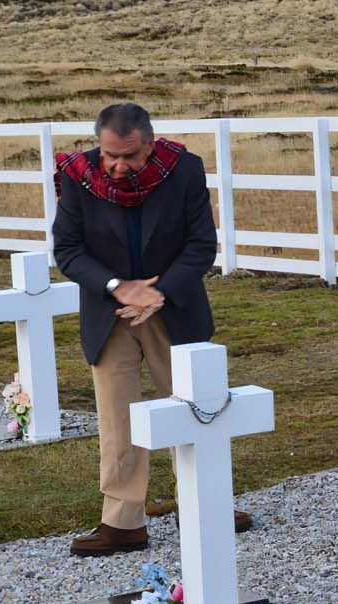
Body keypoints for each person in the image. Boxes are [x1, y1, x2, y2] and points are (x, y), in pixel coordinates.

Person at [52, 102, 253, 557]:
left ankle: (204, 502)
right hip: (111, 314)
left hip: (173, 306)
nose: (118, 167)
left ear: (150, 143)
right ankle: (123, 521)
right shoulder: (77, 176)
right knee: (117, 418)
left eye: (130, 156)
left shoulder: (184, 170)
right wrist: (119, 288)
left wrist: (158, 294)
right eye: (110, 156)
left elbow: (201, 244)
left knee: (193, 408)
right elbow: (67, 249)